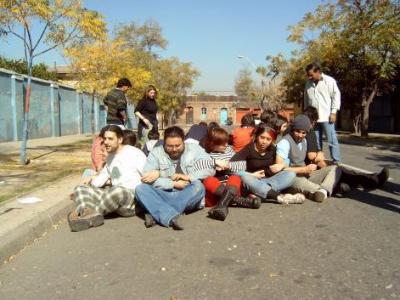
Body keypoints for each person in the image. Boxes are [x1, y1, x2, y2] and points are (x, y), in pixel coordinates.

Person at [67, 125, 148, 232]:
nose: (106, 142)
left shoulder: (134, 153)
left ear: (120, 139)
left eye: (110, 139)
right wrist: (89, 181)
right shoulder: (110, 157)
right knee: (80, 188)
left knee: (117, 190)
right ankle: (89, 214)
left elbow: (148, 175)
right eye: (105, 139)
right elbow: (99, 181)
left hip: (132, 199)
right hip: (113, 199)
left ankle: (85, 214)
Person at [135, 126, 215, 230]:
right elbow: (147, 179)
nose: (174, 149)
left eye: (177, 145)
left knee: (198, 186)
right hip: (164, 193)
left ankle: (158, 214)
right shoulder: (156, 153)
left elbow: (210, 169)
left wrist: (188, 177)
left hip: (187, 193)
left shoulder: (195, 149)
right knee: (141, 189)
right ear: (164, 143)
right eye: (169, 146)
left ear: (184, 141)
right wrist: (172, 183)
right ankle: (169, 215)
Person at [303, 107, 389, 192]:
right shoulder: (308, 131)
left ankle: (340, 186)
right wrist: (322, 158)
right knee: (340, 171)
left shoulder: (295, 130)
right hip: (309, 171)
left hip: (301, 171)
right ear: (314, 121)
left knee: (341, 172)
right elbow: (313, 156)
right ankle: (374, 180)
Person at [230, 123, 305, 205]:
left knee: (291, 174)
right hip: (253, 181)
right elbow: (231, 166)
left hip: (270, 181)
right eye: (262, 137)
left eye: (268, 139)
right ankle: (279, 197)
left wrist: (281, 165)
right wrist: (252, 175)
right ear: (257, 136)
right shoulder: (249, 149)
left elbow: (287, 161)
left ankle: (261, 193)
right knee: (245, 178)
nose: (264, 142)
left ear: (272, 140)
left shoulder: (272, 149)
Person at [199, 127, 261, 221]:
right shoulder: (203, 153)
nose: (226, 144)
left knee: (235, 177)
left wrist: (228, 165)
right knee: (208, 180)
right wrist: (214, 163)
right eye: (222, 143)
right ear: (212, 143)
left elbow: (242, 164)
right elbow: (198, 167)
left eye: (226, 141)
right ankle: (240, 201)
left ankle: (222, 205)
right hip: (213, 196)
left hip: (232, 187)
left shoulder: (229, 150)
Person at [276, 114, 342, 202]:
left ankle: (323, 190)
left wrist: (319, 154)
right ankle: (324, 189)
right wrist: (304, 169)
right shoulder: (285, 142)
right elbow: (280, 170)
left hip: (306, 175)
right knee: (304, 184)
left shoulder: (304, 141)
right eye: (297, 131)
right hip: (291, 178)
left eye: (303, 133)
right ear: (292, 130)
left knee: (336, 168)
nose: (300, 135)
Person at [304, 62, 341, 163]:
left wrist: (333, 112)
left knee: (332, 140)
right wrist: (306, 115)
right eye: (308, 75)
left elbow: (336, 96)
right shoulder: (308, 83)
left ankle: (336, 161)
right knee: (316, 141)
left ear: (318, 72)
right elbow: (306, 100)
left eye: (311, 74)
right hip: (313, 118)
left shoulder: (329, 81)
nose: (309, 77)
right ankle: (318, 161)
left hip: (327, 116)